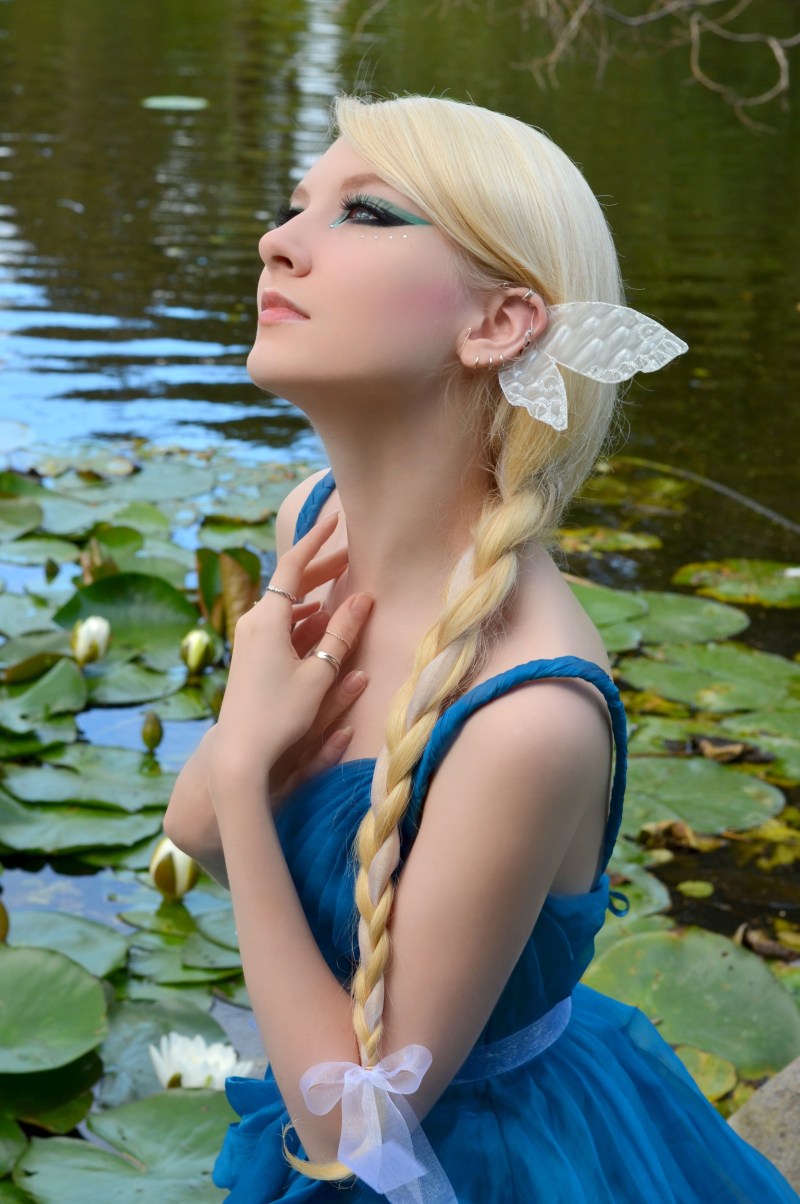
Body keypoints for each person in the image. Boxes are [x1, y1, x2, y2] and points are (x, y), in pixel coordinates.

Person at [164, 95, 798, 1203]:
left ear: (498, 323)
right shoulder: (316, 523)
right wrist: (244, 730)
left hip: (486, 1166)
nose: (277, 238)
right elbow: (191, 829)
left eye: (361, 213)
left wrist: (238, 756)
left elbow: (354, 1127)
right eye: (291, 204)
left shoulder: (528, 717)